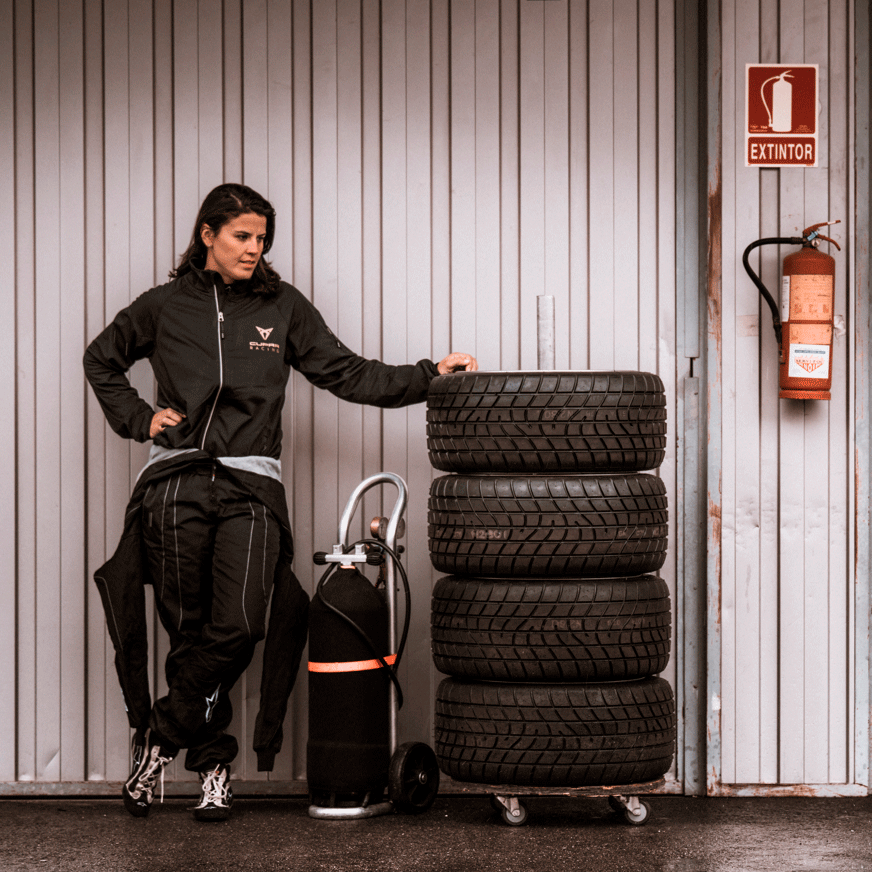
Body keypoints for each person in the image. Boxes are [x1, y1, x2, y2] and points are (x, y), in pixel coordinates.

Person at [84, 182, 477, 823]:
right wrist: (140, 418)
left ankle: (160, 734)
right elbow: (101, 359)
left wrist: (427, 376)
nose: (254, 248)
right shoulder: (163, 306)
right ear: (207, 234)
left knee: (241, 624)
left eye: (261, 238)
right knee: (190, 634)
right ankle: (214, 767)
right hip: (175, 485)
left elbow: (349, 372)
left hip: (252, 487)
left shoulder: (282, 307)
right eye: (242, 235)